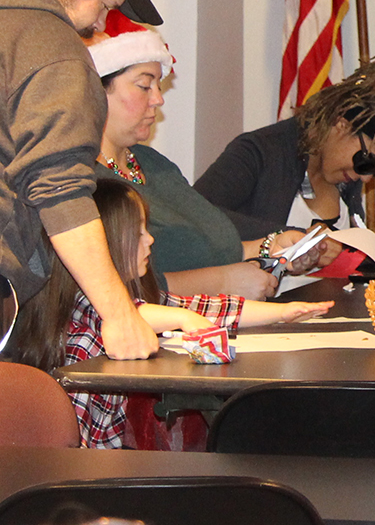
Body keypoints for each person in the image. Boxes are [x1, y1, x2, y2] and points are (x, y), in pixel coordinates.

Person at [8, 178, 333, 448]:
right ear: (105, 244)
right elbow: (139, 315)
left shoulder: (137, 302)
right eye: (138, 234)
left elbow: (209, 307)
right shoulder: (86, 313)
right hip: (81, 474)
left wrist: (284, 313)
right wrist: (183, 320)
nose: (150, 241)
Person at [0, 0, 164, 360]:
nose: (98, 26)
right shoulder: (51, 47)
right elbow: (60, 190)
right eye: (104, 5)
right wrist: (119, 313)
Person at [86, 10, 332, 299]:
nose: (158, 99)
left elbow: (210, 245)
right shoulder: (84, 178)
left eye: (158, 86)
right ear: (95, 89)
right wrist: (220, 283)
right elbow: (110, 289)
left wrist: (271, 246)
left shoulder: (154, 165)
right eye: (144, 85)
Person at [194, 53, 375, 255]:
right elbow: (193, 216)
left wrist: (361, 246)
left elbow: (333, 250)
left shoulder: (346, 174)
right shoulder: (258, 152)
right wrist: (292, 237)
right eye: (368, 163)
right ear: (342, 124)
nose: (366, 177)